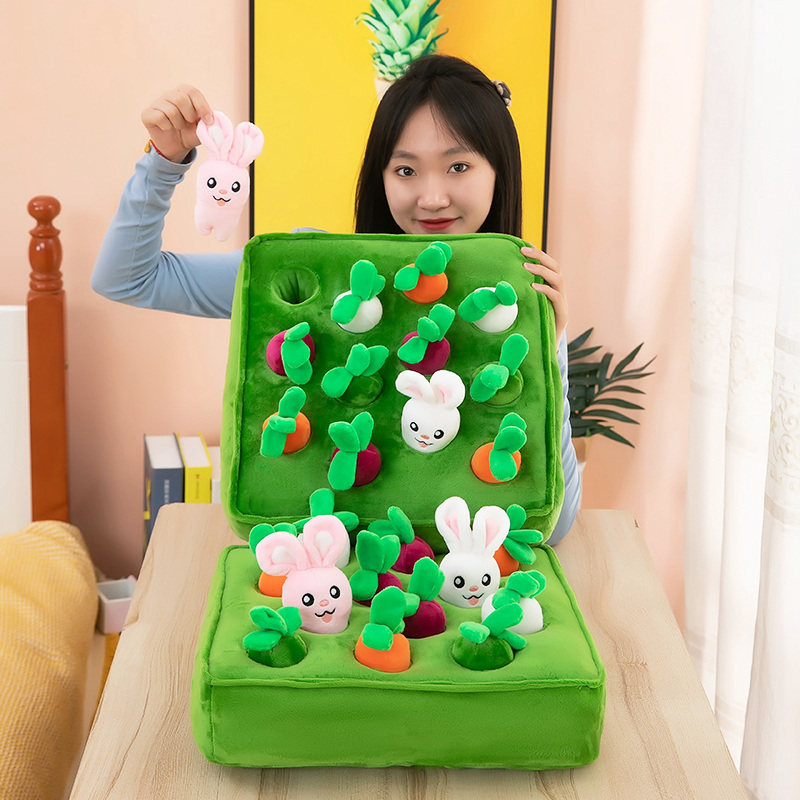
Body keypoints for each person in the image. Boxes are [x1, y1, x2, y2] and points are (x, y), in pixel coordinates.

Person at [92, 54, 580, 543]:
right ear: (380, 177)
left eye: (458, 166)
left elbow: (554, 524)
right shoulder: (316, 278)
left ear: (499, 171)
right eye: (405, 170)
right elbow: (129, 277)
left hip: (470, 574)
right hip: (324, 561)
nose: (432, 197)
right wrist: (163, 161)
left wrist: (550, 342)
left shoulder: (513, 298)